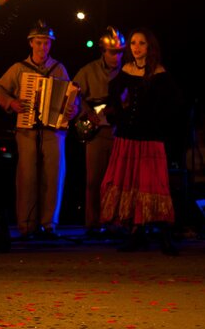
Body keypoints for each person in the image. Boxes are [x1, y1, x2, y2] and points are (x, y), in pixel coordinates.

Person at [100, 27, 182, 255]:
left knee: (154, 184)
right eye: (134, 43)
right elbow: (113, 93)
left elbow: (175, 101)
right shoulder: (125, 70)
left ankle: (165, 235)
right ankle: (136, 233)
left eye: (141, 43)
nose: (136, 47)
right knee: (131, 183)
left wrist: (158, 119)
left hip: (150, 137)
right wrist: (121, 114)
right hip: (128, 135)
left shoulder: (159, 72)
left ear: (150, 47)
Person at [0, 19, 78, 240]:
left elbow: (71, 97)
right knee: (27, 176)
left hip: (53, 130)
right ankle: (26, 225)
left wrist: (71, 110)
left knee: (54, 175)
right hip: (27, 129)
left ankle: (49, 224)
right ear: (31, 43)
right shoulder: (19, 69)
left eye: (47, 43)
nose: (43, 48)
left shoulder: (58, 68)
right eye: (39, 43)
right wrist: (11, 103)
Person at [72, 26, 125, 238]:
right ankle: (93, 223)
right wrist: (86, 113)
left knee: (119, 180)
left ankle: (117, 221)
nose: (117, 57)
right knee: (94, 180)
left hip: (120, 131)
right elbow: (74, 94)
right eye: (113, 52)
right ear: (103, 51)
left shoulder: (128, 72)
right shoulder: (88, 70)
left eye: (121, 52)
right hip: (96, 132)